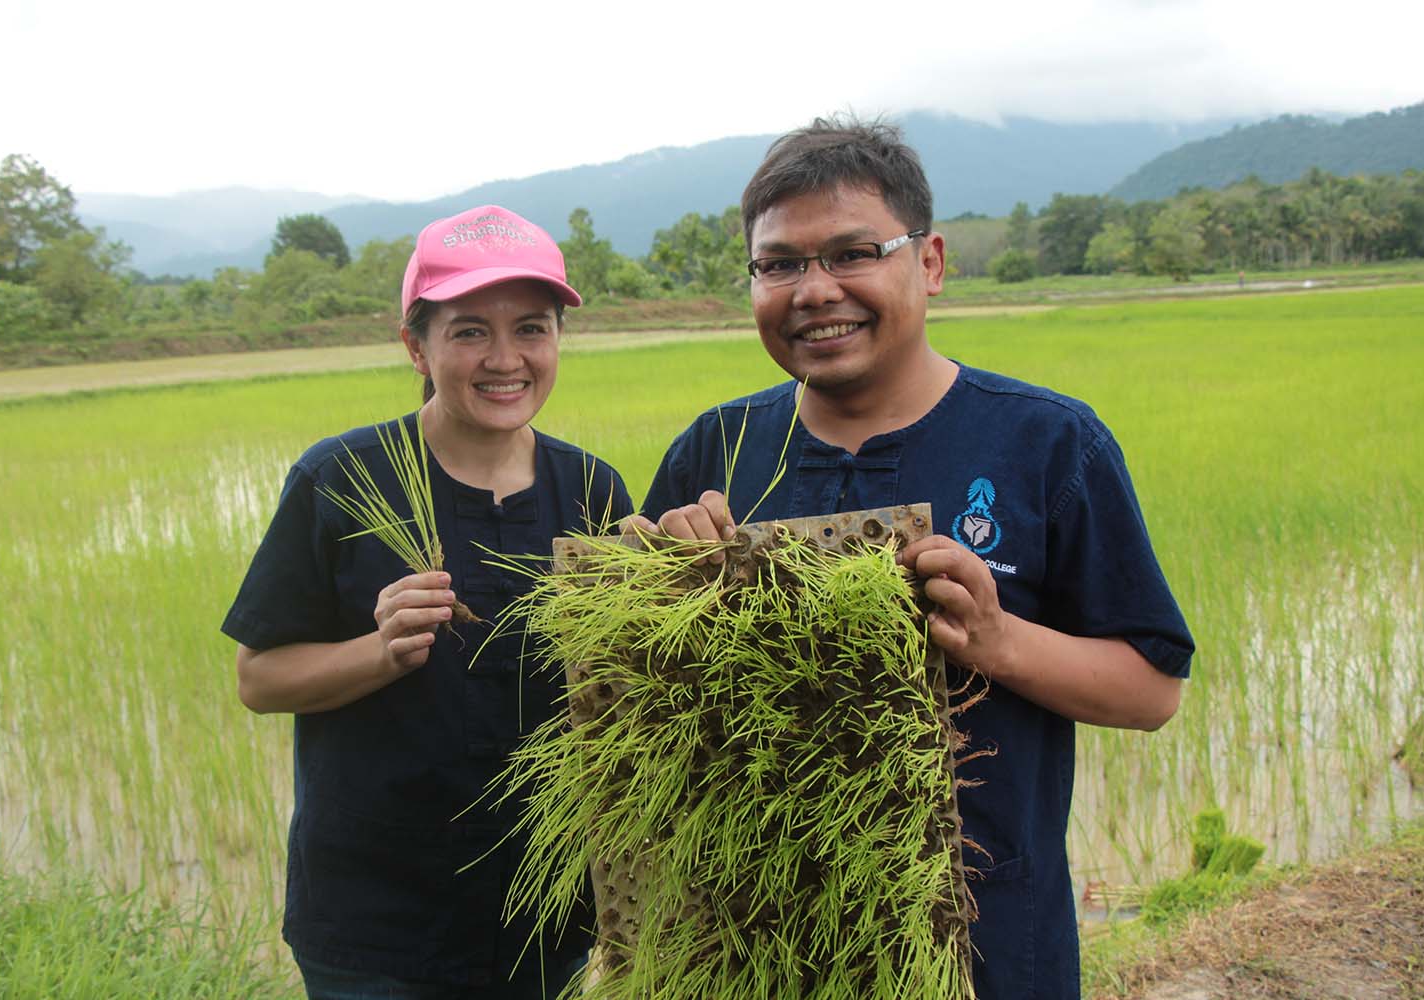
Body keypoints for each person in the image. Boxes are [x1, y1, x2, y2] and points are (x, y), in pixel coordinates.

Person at [636, 118, 1195, 999]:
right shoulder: (717, 449)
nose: (814, 291)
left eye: (853, 252)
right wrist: (660, 595)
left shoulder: (1047, 443)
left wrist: (997, 641)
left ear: (928, 262)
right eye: (778, 264)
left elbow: (1153, 690)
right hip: (756, 938)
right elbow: (634, 707)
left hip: (982, 940)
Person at [223, 205, 633, 999]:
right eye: (470, 331)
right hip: (377, 925)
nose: (506, 358)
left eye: (533, 329)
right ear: (417, 345)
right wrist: (380, 653)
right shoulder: (339, 479)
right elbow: (259, 679)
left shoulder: (591, 488)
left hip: (545, 918)